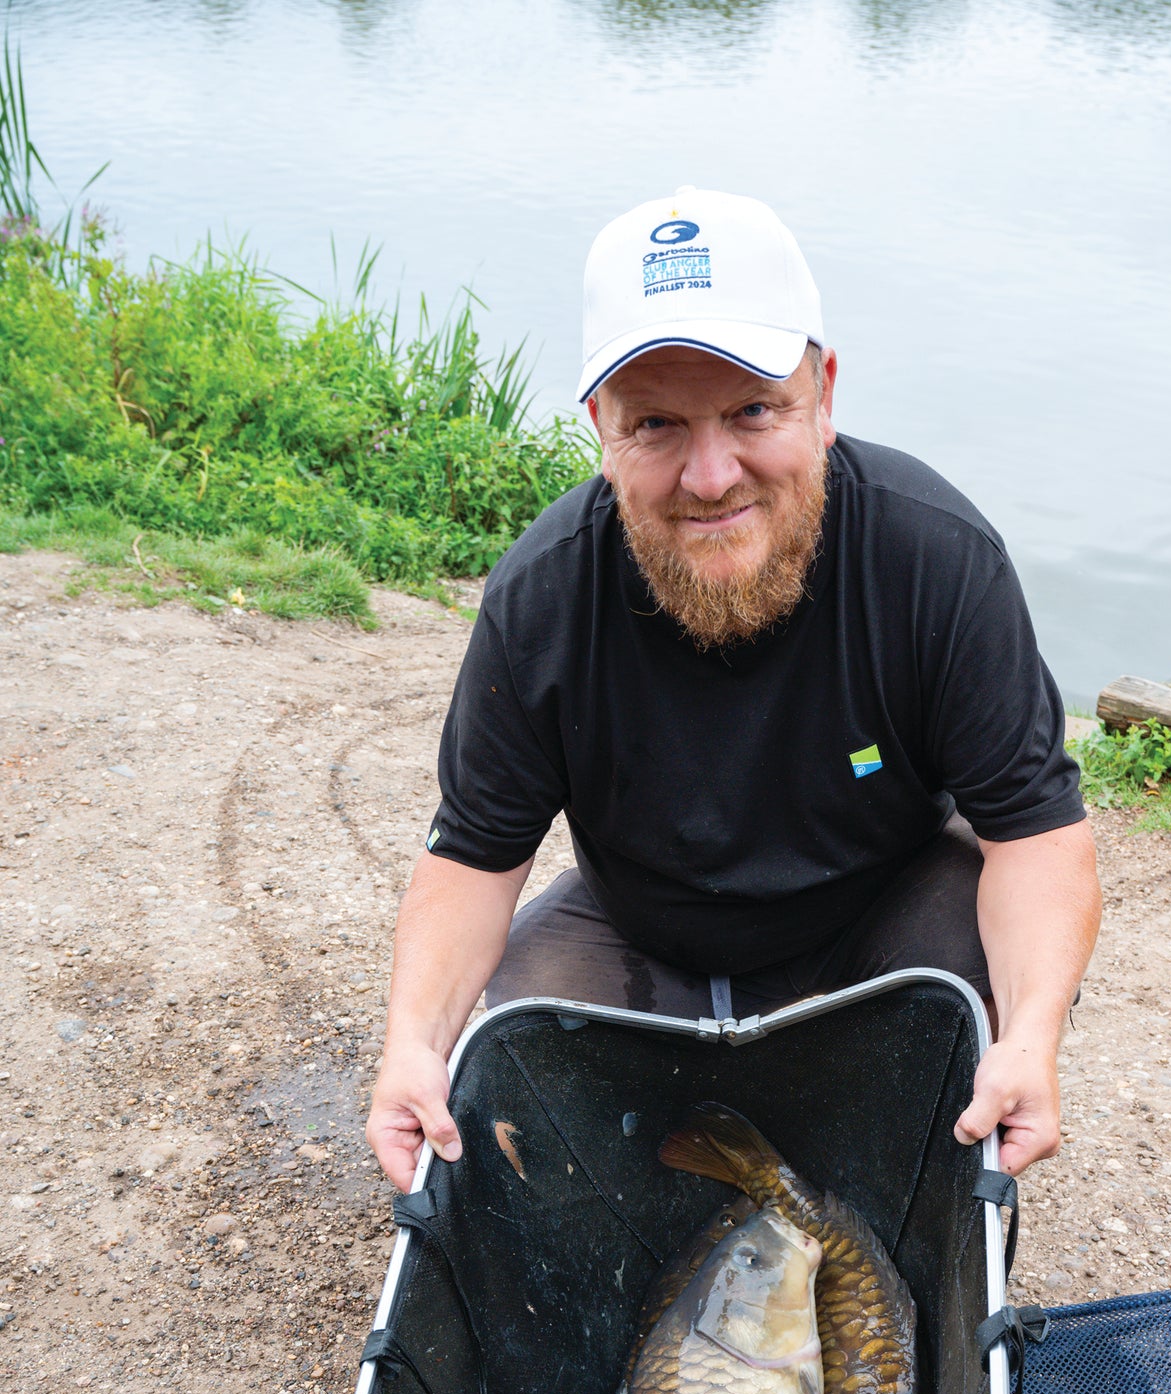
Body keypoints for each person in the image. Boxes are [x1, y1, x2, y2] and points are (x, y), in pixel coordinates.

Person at [368, 186, 1100, 1190]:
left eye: (753, 411)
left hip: (874, 921)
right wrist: (409, 1042)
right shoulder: (542, 596)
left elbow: (1035, 838)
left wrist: (1028, 1038)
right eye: (657, 425)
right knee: (508, 1064)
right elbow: (471, 860)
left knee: (974, 994)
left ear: (824, 394)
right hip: (640, 930)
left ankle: (893, 1140)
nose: (710, 476)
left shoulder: (935, 559)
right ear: (598, 427)